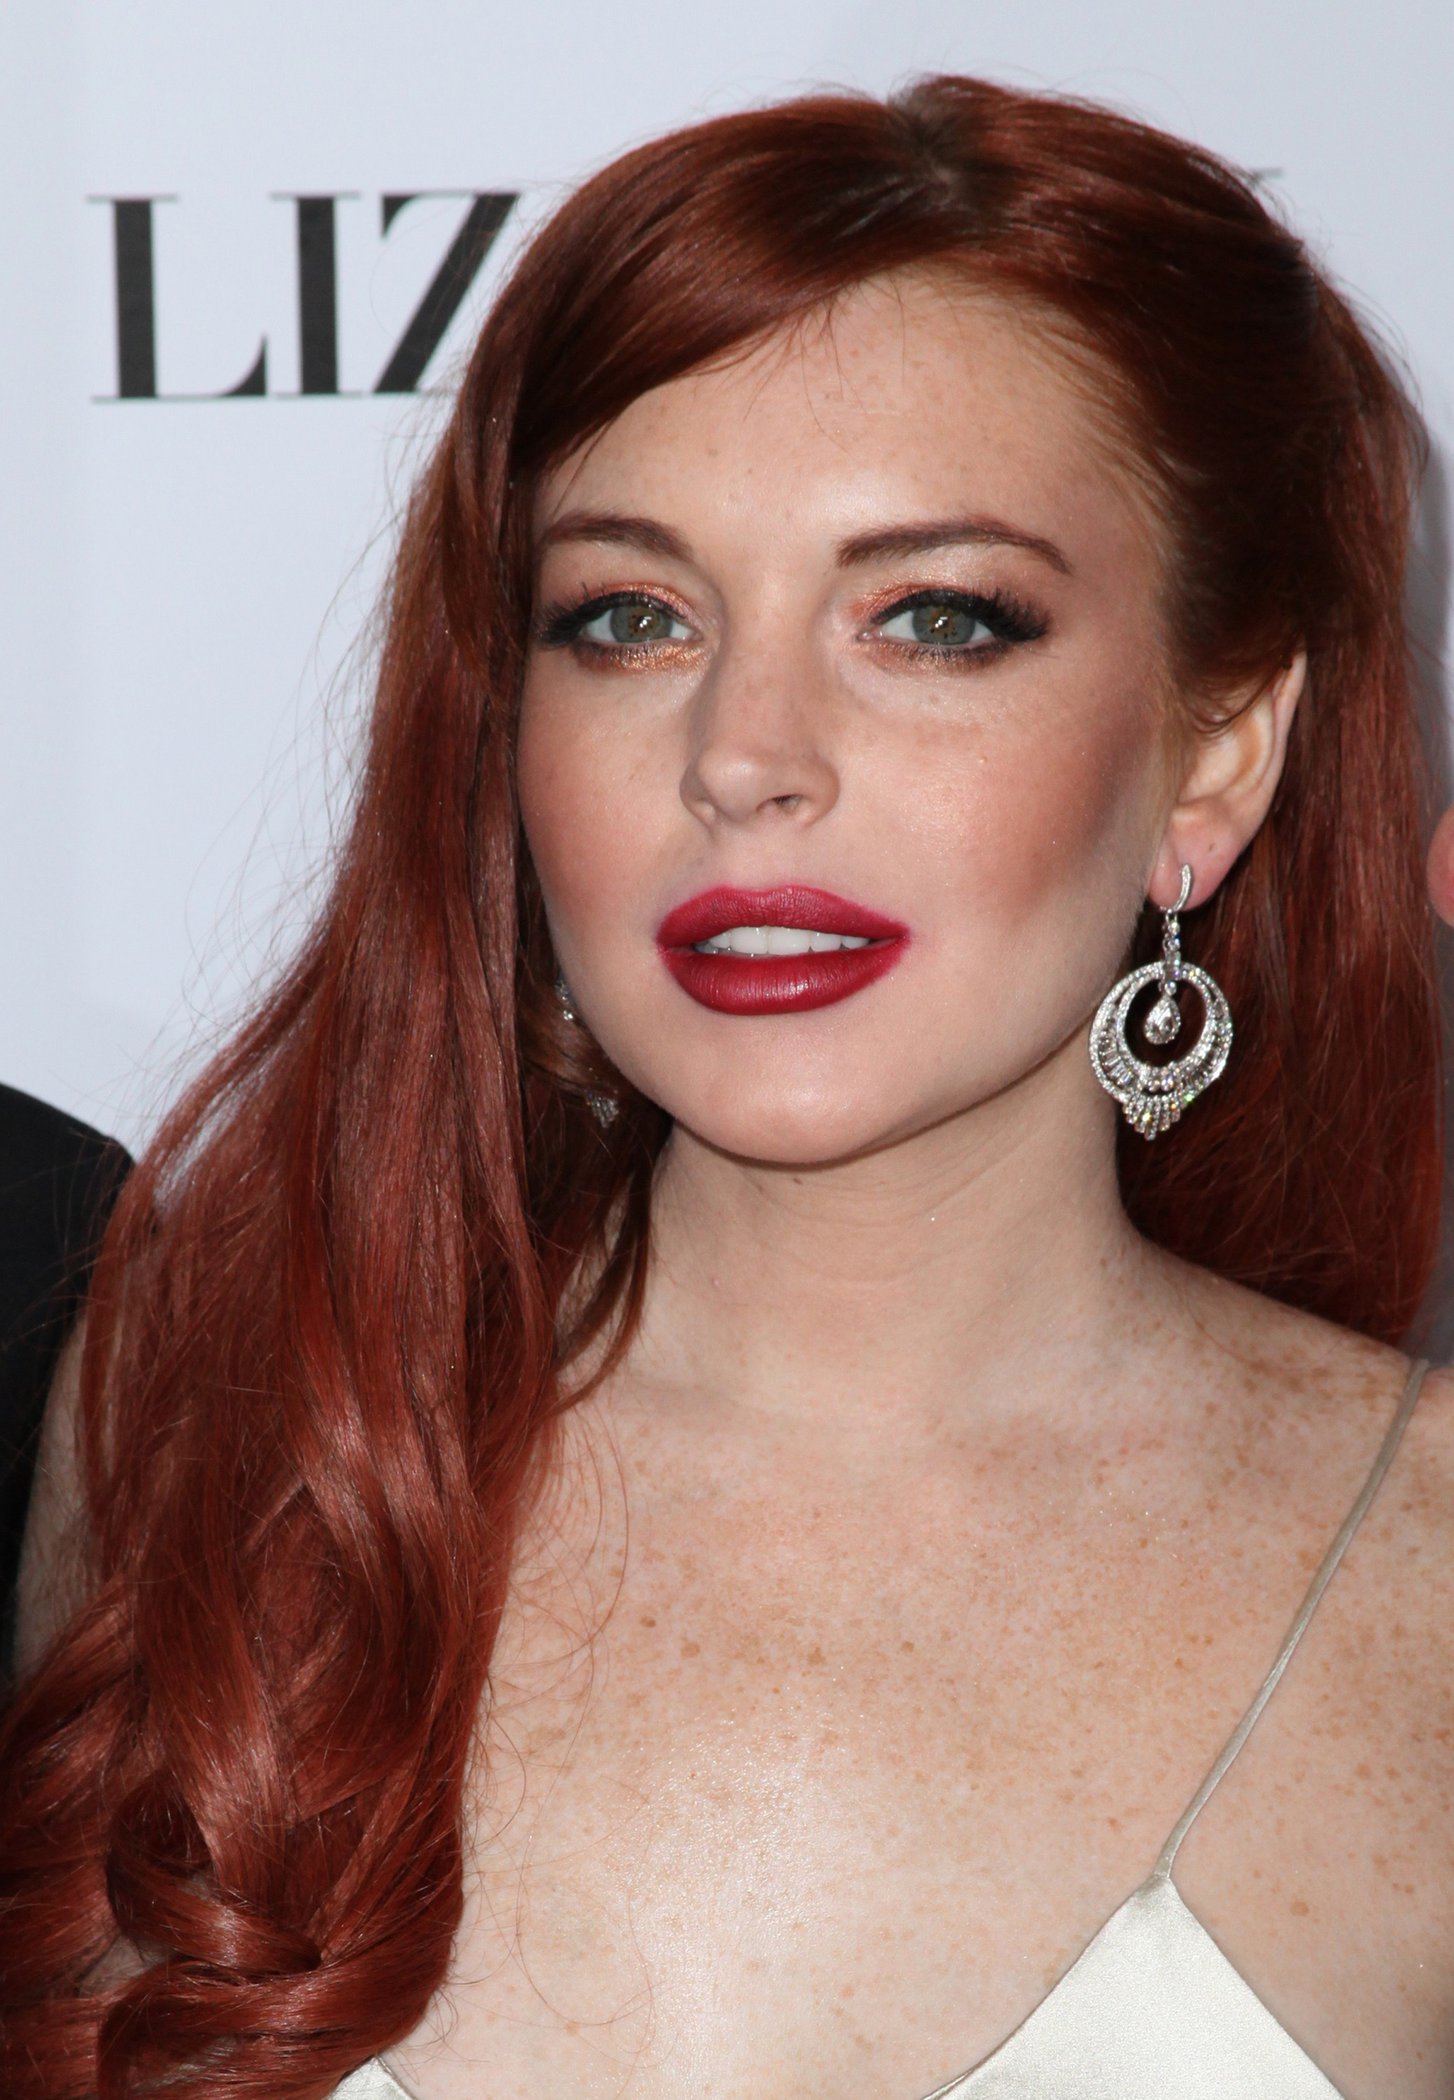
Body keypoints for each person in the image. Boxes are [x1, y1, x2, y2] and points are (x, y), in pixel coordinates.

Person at [3, 74, 1450, 2100]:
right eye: (630, 617)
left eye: (934, 619)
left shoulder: (1421, 1569)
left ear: (1214, 753)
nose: (744, 755)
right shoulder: (202, 1430)